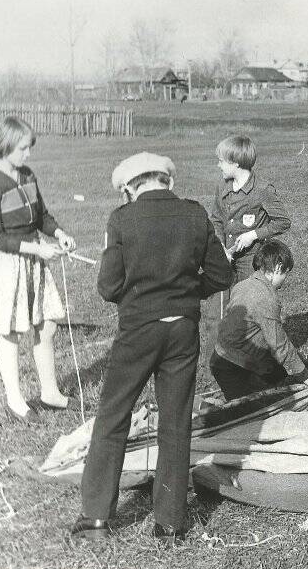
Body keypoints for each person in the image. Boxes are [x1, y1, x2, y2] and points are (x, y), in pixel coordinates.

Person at [72, 152, 232, 542]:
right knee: (176, 425)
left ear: (130, 188)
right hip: (182, 330)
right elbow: (221, 274)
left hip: (138, 330)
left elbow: (109, 288)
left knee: (113, 418)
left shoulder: (122, 218)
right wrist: (186, 294)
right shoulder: (195, 214)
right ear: (167, 180)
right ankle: (171, 523)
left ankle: (95, 520)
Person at [0, 116, 78, 423]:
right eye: (23, 148)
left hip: (35, 257)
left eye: (29, 148)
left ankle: (50, 393)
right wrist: (38, 249)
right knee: (11, 332)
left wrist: (59, 233)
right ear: (5, 146)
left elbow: (41, 216)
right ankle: (15, 400)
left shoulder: (28, 174)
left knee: (47, 324)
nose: (28, 154)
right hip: (10, 263)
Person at [203, 136, 292, 378]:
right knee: (216, 315)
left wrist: (254, 234)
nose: (219, 165)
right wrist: (220, 245)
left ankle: (254, 371)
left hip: (249, 263)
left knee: (248, 315)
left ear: (236, 163)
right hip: (224, 262)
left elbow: (283, 221)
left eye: (222, 161)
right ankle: (216, 374)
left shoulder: (262, 190)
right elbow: (216, 219)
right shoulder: (222, 187)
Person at [210, 240, 308, 400]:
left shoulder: (243, 285)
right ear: (277, 268)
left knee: (278, 371)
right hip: (231, 367)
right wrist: (306, 377)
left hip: (224, 355)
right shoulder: (265, 298)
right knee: (253, 414)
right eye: (286, 273)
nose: (285, 279)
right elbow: (279, 344)